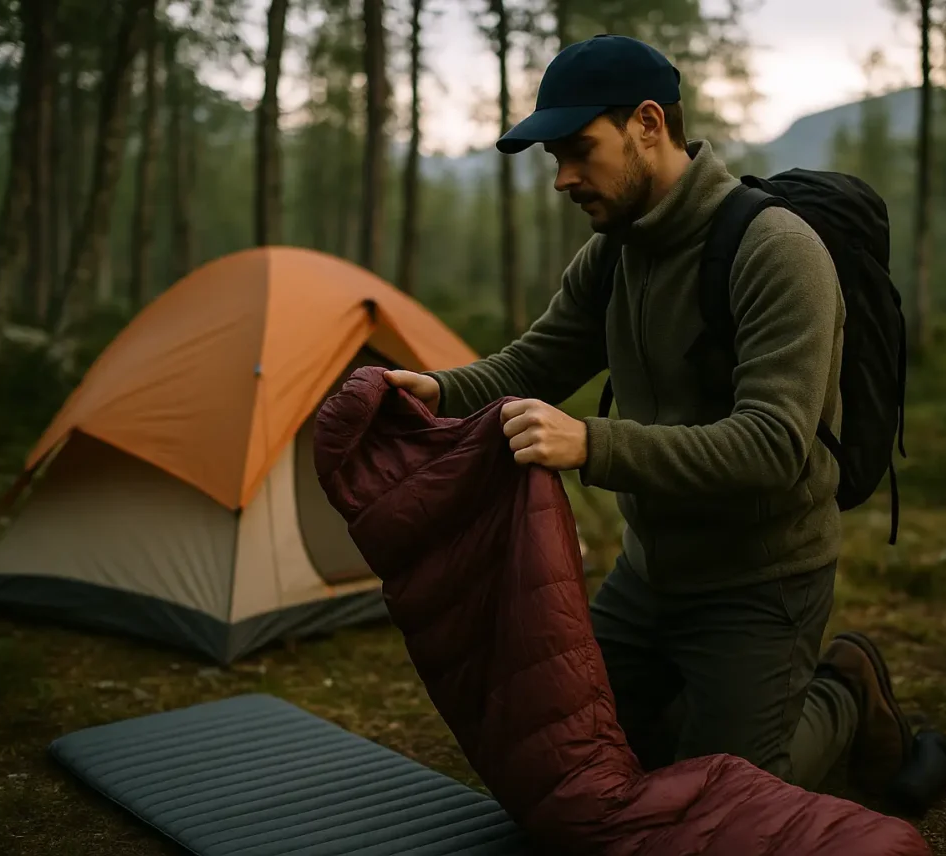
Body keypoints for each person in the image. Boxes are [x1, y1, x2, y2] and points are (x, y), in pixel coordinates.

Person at [383, 34, 912, 797]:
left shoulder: (775, 251)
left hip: (761, 578)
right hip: (649, 575)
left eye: (578, 150)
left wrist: (591, 444)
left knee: (727, 802)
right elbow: (535, 363)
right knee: (566, 758)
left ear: (649, 124)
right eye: (552, 158)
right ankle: (709, 711)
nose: (563, 178)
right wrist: (433, 391)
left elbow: (772, 448)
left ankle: (845, 696)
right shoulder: (614, 253)